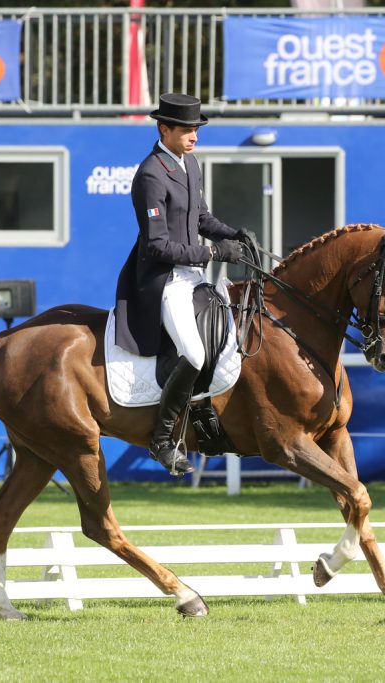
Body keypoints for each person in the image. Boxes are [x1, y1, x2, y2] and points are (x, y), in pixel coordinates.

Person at [114, 93, 248, 475]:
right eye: (187, 130)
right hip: (163, 280)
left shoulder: (189, 163)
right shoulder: (150, 175)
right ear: (164, 129)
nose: (194, 137)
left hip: (193, 276)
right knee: (194, 353)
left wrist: (235, 235)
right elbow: (157, 246)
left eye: (196, 130)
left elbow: (201, 217)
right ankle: (161, 438)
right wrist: (214, 254)